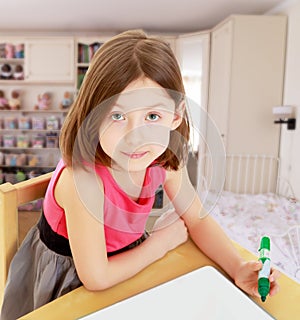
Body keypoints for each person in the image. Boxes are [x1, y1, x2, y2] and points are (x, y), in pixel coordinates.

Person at [0, 30, 280, 320]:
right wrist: (159, 244)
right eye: (118, 116)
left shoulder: (164, 162)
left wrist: (237, 267)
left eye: (152, 117)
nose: (136, 137)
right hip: (69, 279)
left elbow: (196, 218)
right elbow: (96, 277)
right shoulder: (83, 180)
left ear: (176, 116)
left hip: (127, 261)